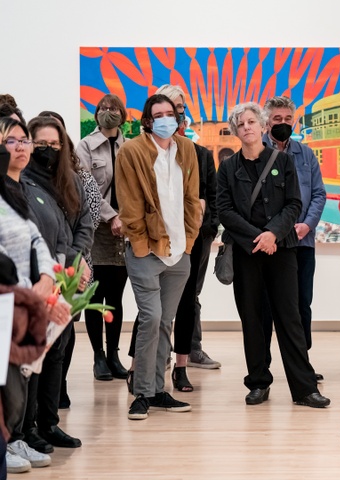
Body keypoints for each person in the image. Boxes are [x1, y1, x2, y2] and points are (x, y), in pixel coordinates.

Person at [216, 102, 329, 408]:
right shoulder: (228, 168)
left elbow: (294, 203)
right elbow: (224, 209)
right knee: (252, 319)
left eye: (252, 122)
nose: (247, 128)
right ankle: (258, 383)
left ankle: (304, 388)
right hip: (247, 252)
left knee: (290, 318)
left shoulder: (283, 160)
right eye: (241, 124)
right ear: (236, 131)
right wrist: (258, 236)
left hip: (282, 250)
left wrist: (273, 234)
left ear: (263, 126)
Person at [115, 94, 202, 420]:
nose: (166, 118)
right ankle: (141, 392)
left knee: (165, 321)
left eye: (172, 113)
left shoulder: (187, 149)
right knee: (150, 318)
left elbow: (193, 199)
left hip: (179, 253)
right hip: (146, 251)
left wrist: (189, 241)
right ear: (148, 120)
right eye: (159, 114)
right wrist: (140, 244)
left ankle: (158, 391)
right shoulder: (132, 151)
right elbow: (129, 204)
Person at [0, 118, 69, 472]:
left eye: (23, 140)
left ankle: (17, 439)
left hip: (29, 299)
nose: (22, 147)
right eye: (12, 141)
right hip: (8, 301)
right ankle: (7, 442)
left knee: (23, 376)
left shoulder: (18, 191)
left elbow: (37, 239)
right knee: (7, 384)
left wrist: (46, 277)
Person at [20, 115, 93, 452]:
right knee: (33, 356)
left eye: (54, 144)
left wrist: (74, 263)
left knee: (57, 351)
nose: (47, 150)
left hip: (66, 278)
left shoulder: (72, 180)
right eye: (41, 144)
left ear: (63, 146)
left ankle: (50, 423)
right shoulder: (21, 182)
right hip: (37, 280)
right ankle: (28, 427)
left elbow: (84, 225)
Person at [155, 84, 221, 391]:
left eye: (179, 108)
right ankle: (146, 364)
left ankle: (182, 364)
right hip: (156, 240)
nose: (174, 114)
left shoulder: (200, 153)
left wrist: (205, 226)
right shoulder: (142, 151)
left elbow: (212, 194)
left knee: (186, 300)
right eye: (168, 108)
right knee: (153, 304)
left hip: (194, 240)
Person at [261, 96, 326, 381]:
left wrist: (307, 225)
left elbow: (319, 193)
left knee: (301, 304)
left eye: (288, 119)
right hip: (267, 245)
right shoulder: (255, 153)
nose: (283, 124)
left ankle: (303, 365)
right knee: (264, 306)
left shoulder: (306, 154)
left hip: (301, 243)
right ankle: (262, 367)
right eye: (278, 119)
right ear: (267, 123)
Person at [76, 94, 130, 382]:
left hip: (124, 232)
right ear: (96, 114)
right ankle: (98, 356)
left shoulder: (129, 146)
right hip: (96, 230)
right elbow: (87, 189)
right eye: (103, 109)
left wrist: (126, 219)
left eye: (114, 109)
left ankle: (113, 354)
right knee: (95, 296)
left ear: (122, 114)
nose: (108, 113)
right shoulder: (85, 146)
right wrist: (112, 216)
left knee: (116, 297)